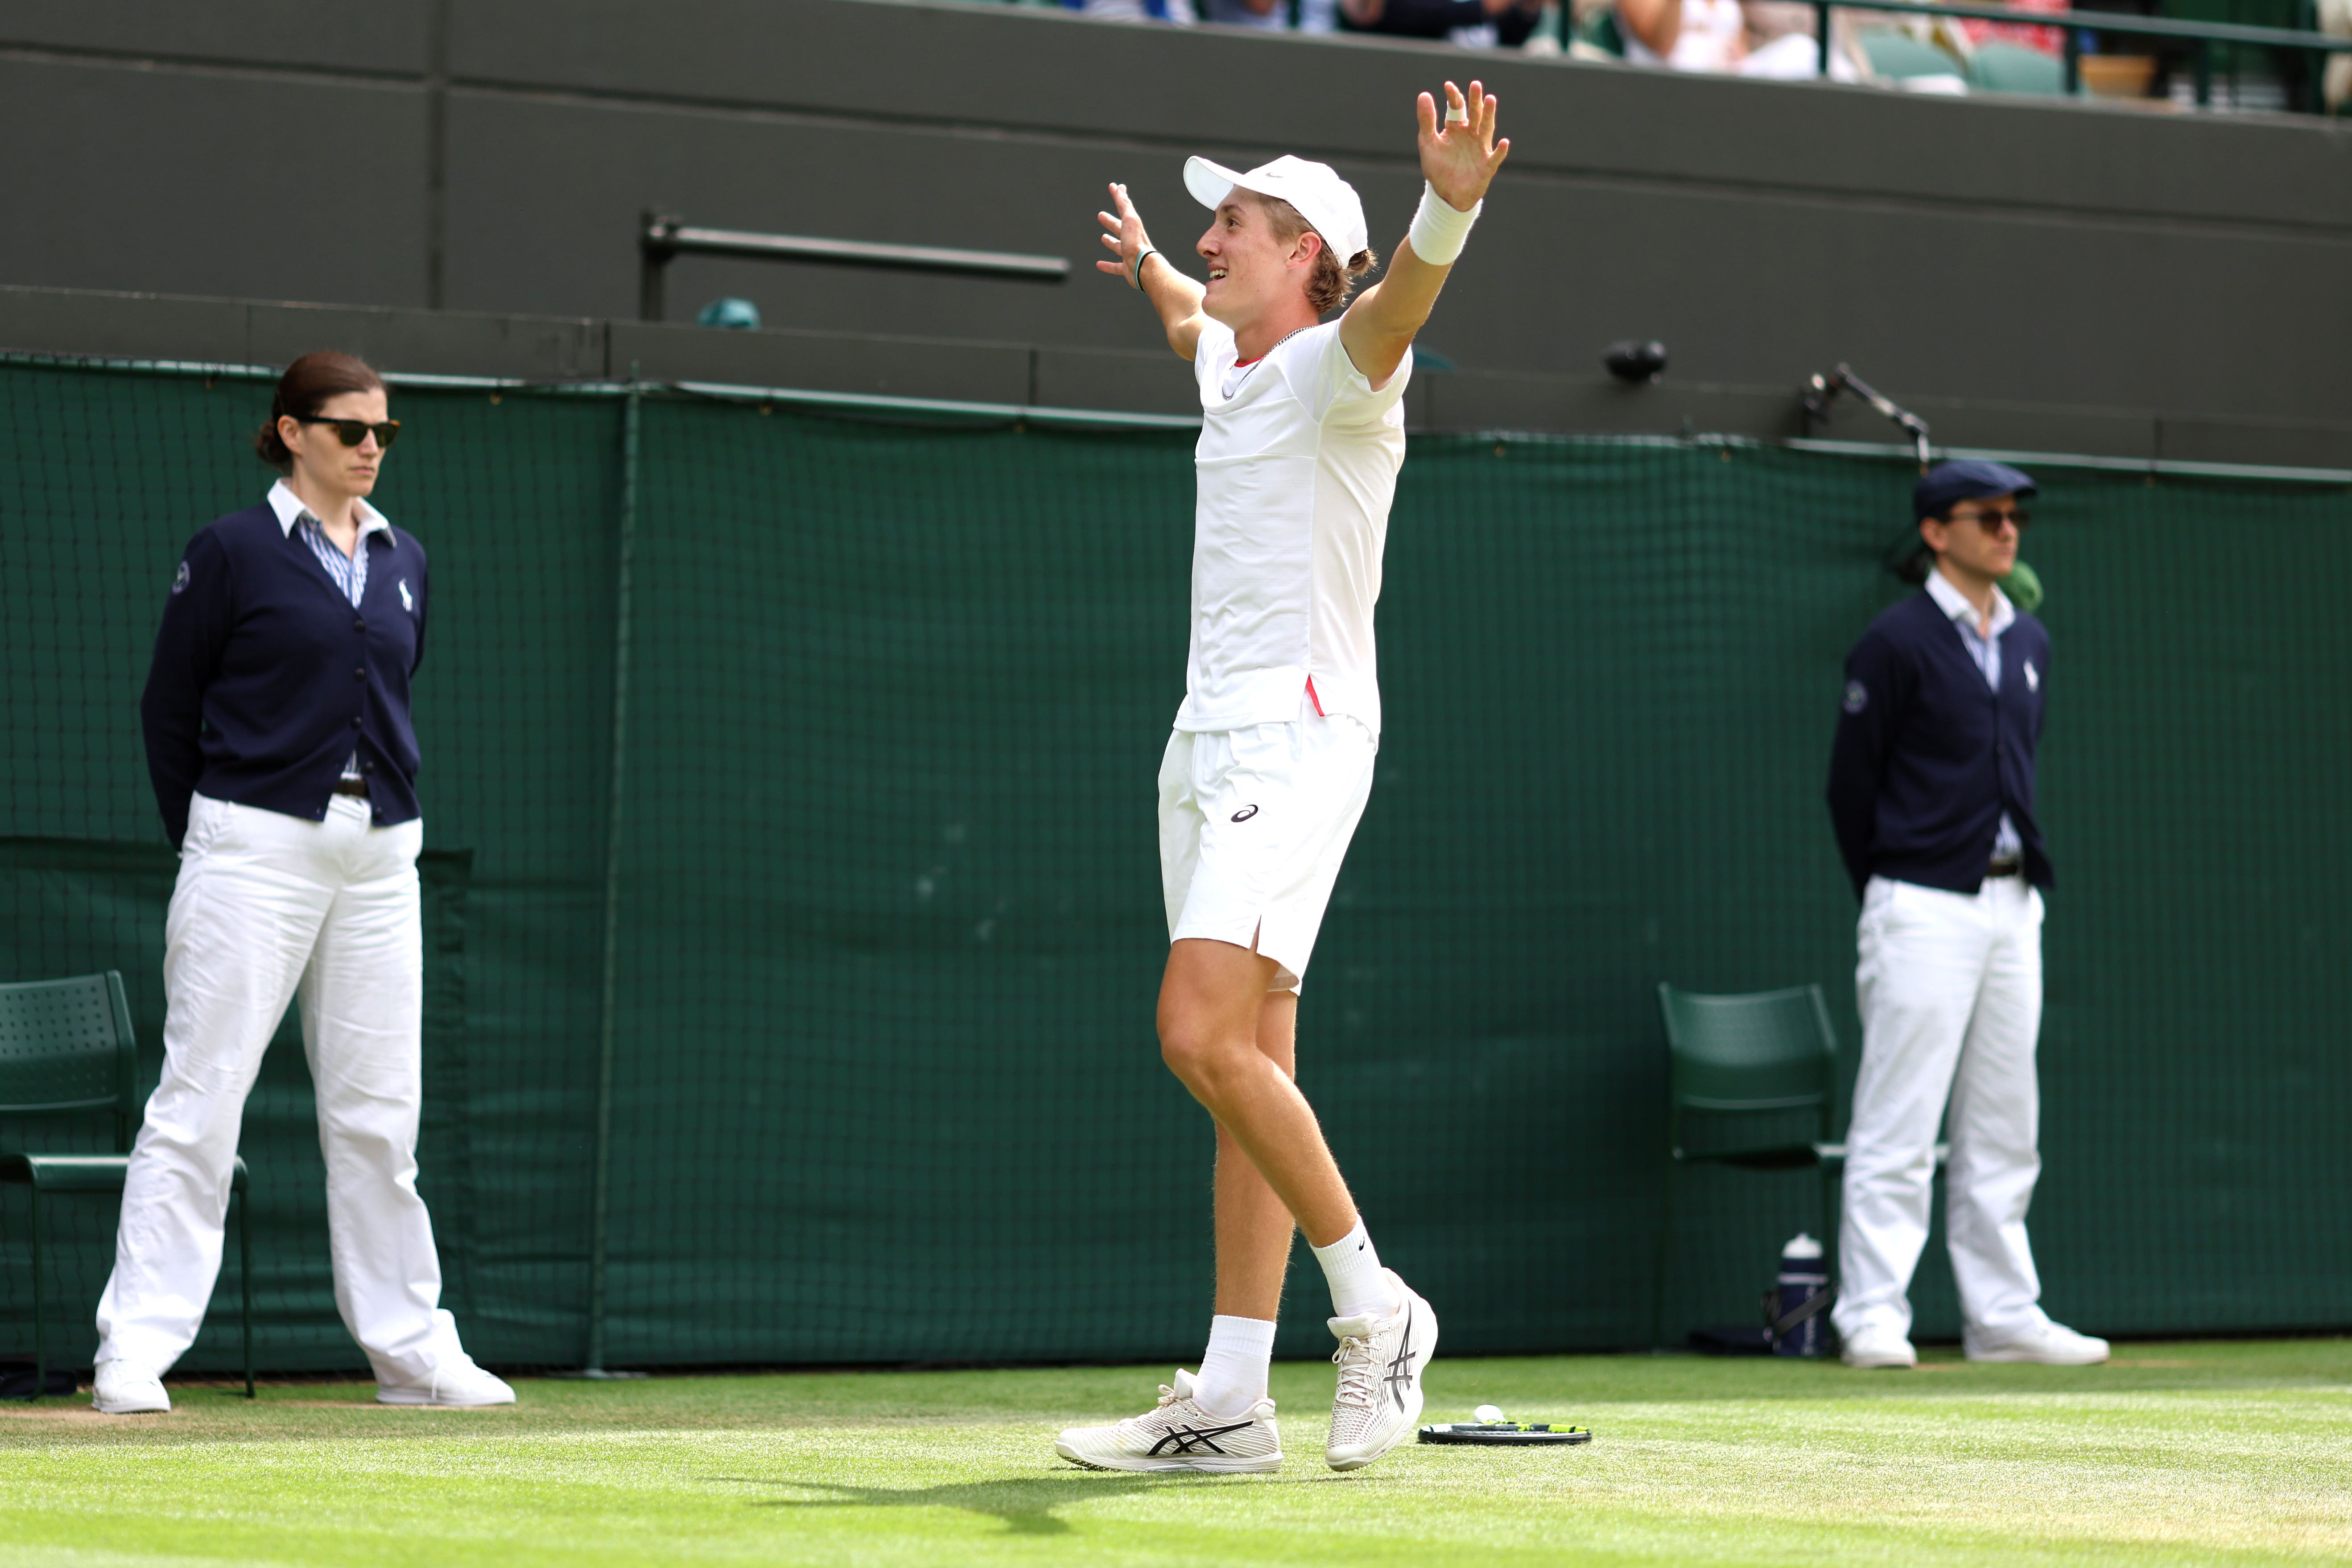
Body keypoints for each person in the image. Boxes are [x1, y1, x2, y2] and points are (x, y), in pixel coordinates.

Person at [1053, 82, 1507, 1474]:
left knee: (1196, 1030)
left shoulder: (1344, 369)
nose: (1211, 237)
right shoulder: (1231, 363)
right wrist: (1146, 269)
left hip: (1297, 740)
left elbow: (1400, 304)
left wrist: (1447, 202)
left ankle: (1378, 1300)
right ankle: (1234, 1395)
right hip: (1202, 744)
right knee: (1246, 1065)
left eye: (1233, 222)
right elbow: (1193, 330)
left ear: (1307, 249)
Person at [91, 352, 512, 1415]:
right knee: (201, 1100)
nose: (372, 446)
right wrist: (212, 836)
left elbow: (393, 687)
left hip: (380, 857)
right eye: (348, 429)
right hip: (249, 850)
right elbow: (167, 709)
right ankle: (133, 1353)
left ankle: (414, 1353)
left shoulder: (405, 556)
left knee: (380, 1117)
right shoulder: (231, 550)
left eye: (385, 432)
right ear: (291, 433)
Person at [1824, 458, 2108, 1371]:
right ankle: (1872, 1315)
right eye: (1986, 515)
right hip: (1919, 906)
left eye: (2014, 514)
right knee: (1899, 1121)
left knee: (2004, 1121)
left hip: (2015, 907)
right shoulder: (1894, 643)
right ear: (1938, 533)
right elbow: (1851, 788)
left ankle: (2004, 1315)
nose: (2007, 527)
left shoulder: (2030, 642)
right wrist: (1896, 884)